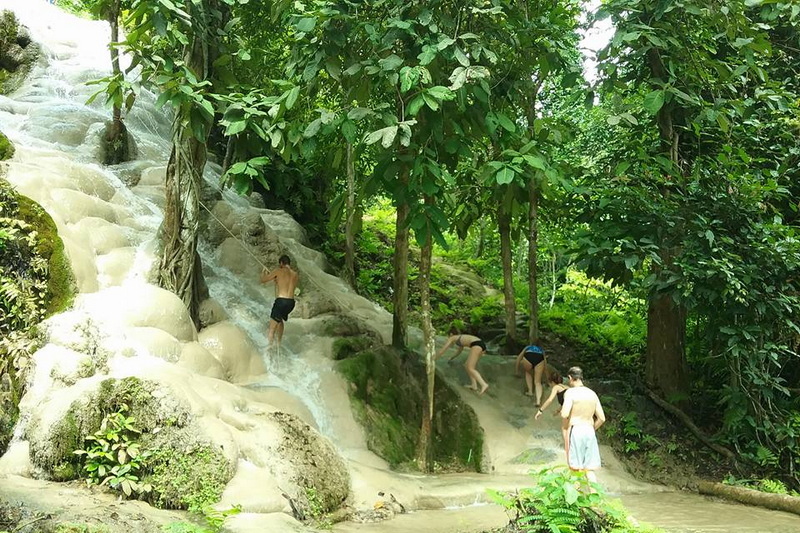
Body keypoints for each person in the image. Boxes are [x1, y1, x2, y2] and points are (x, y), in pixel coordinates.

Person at [560, 366, 605, 486]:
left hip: (576, 430)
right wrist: (592, 428)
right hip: (589, 430)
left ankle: (576, 501)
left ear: (570, 378)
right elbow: (602, 418)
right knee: (589, 470)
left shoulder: (570, 392)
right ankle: (594, 502)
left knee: (575, 469)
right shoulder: (592, 394)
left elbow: (564, 413)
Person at [260, 254, 299, 352]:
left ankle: (269, 348)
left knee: (272, 328)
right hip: (291, 303)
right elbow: (286, 284)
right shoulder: (295, 274)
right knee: (280, 320)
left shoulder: (278, 271)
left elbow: (263, 280)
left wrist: (263, 272)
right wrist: (277, 281)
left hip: (281, 301)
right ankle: (278, 343)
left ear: (281, 263)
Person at [435, 329, 489, 395]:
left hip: (476, 345)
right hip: (480, 345)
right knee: (467, 366)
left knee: (470, 368)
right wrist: (452, 357)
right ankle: (474, 385)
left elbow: (443, 350)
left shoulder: (452, 338)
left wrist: (434, 358)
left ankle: (483, 384)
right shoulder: (460, 339)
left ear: (451, 334)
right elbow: (459, 351)